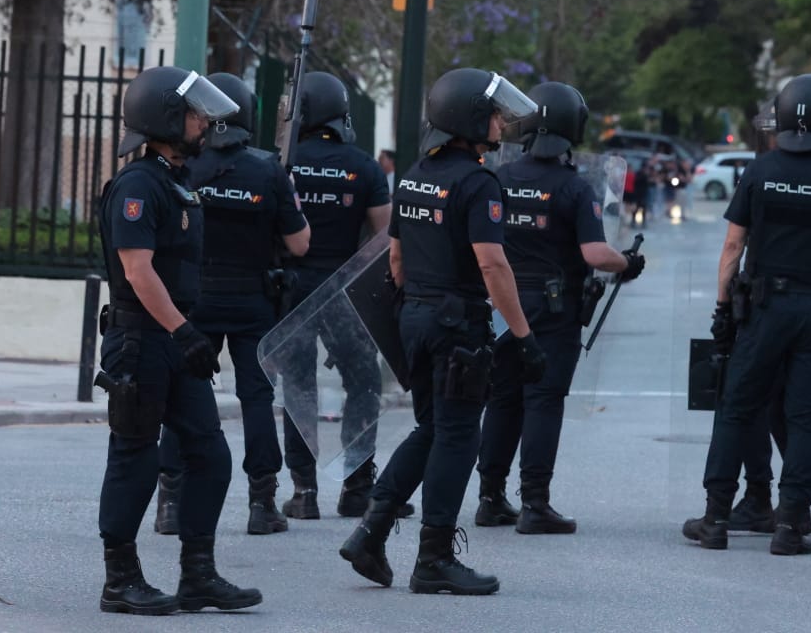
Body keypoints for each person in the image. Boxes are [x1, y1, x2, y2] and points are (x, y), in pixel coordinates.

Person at [339, 68, 543, 595]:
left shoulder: (414, 174)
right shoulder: (478, 182)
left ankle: (370, 533)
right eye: (495, 114)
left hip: (416, 317)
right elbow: (493, 266)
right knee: (457, 435)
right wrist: (523, 336)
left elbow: (397, 255)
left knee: (429, 428)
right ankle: (433, 560)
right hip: (458, 324)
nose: (501, 123)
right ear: (470, 118)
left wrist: (418, 307)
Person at [685, 73, 811, 555]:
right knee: (805, 417)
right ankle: (790, 527)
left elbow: (734, 245)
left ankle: (715, 521)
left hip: (764, 309)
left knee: (736, 409)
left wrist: (723, 309)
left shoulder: (760, 170)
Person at [94, 65, 260, 615]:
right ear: (165, 118)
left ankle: (199, 575)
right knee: (136, 458)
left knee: (210, 454)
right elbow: (138, 271)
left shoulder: (176, 180)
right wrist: (184, 330)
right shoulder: (138, 185)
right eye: (193, 113)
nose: (203, 122)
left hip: (174, 341)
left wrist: (186, 335)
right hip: (141, 341)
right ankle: (120, 580)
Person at [474, 82, 645, 534]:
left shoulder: (499, 179)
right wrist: (628, 261)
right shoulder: (575, 188)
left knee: (502, 400)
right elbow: (594, 254)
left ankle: (490, 497)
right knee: (544, 402)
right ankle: (535, 504)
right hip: (553, 311)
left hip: (502, 305)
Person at [153, 72, 310, 538]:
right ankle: (262, 503)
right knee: (257, 399)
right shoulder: (267, 171)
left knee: (182, 396)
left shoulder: (186, 167)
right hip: (251, 300)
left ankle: (170, 502)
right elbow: (299, 244)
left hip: (193, 299)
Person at [279, 71, 394, 520]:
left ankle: (304, 491)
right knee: (364, 383)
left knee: (299, 389)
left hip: (293, 289)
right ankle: (357, 486)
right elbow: (384, 236)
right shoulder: (363, 165)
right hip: (345, 291)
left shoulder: (282, 165)